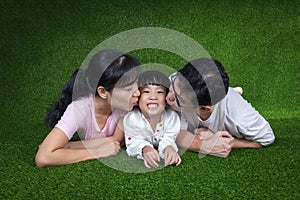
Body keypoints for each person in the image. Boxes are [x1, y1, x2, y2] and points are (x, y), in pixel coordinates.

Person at [35, 49, 141, 167]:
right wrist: (96, 151)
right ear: (103, 92)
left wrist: (70, 146)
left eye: (137, 83)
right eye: (128, 89)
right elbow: (43, 157)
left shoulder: (131, 103)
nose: (137, 93)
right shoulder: (80, 109)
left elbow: (115, 142)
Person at [166, 58, 275, 157]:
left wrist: (231, 142)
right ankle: (234, 90)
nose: (167, 97)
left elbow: (266, 138)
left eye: (178, 99)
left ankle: (234, 93)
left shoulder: (239, 118)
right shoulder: (181, 80)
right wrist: (201, 144)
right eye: (172, 87)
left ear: (204, 108)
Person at [123, 70, 181, 168]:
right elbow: (133, 142)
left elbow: (169, 138)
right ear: (138, 98)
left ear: (166, 99)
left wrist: (169, 148)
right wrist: (145, 149)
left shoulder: (172, 117)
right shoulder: (131, 119)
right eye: (146, 91)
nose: (153, 97)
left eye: (159, 92)